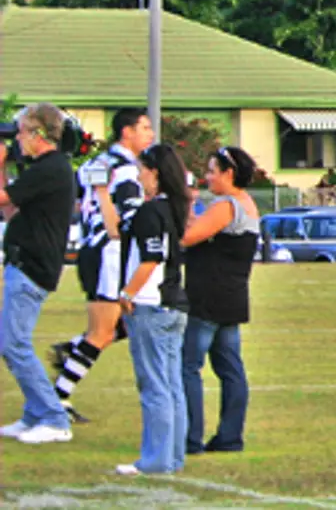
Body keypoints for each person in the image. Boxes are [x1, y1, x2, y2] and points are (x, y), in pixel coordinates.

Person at [50, 107, 153, 424]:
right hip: (109, 253)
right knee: (106, 330)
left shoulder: (96, 164)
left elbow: (81, 201)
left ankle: (72, 352)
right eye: (145, 128)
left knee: (116, 326)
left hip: (94, 251)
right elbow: (127, 217)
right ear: (127, 132)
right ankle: (58, 398)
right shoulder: (125, 170)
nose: (150, 134)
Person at [0, 104, 82, 445]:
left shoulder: (51, 168)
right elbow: (10, 204)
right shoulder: (45, 169)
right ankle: (35, 415)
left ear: (38, 135)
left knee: (13, 343)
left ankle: (53, 417)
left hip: (32, 266)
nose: (18, 140)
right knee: (11, 342)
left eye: (21, 133)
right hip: (25, 264)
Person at [115, 144, 194, 475]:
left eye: (142, 169)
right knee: (172, 383)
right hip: (174, 305)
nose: (139, 175)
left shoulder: (151, 213)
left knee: (154, 385)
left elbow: (151, 259)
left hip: (152, 304)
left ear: (155, 173)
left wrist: (126, 292)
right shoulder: (172, 210)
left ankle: (155, 460)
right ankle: (172, 456)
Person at [181, 147, 260, 454]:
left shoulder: (226, 205)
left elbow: (187, 238)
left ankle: (191, 437)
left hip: (208, 298)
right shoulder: (247, 204)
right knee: (230, 368)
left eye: (213, 171)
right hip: (232, 297)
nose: (207, 177)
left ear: (229, 173)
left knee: (188, 366)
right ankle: (230, 436)